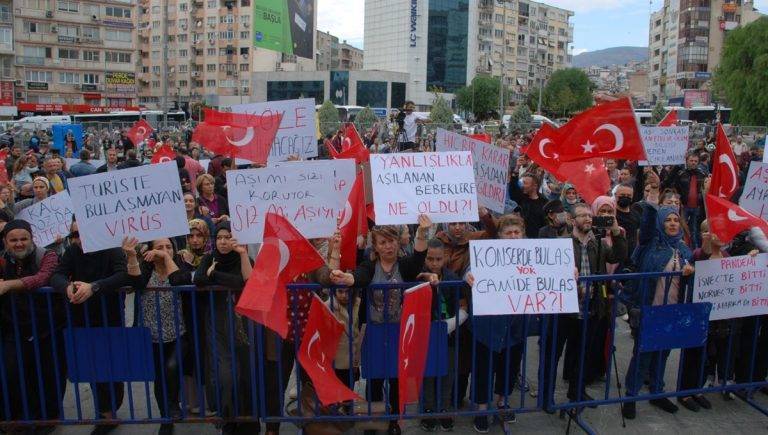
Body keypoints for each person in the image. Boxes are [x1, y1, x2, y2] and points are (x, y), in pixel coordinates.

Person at [329, 215, 433, 435]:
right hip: (374, 331)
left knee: (396, 379)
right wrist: (349, 279)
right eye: (383, 242)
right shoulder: (370, 265)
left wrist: (422, 232)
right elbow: (360, 275)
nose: (388, 246)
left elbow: (418, 257)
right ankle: (374, 421)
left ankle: (394, 421)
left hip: (398, 331)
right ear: (375, 247)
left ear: (397, 242)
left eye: (391, 241)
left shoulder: (404, 266)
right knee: (375, 379)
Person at [540, 202, 626, 412]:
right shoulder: (561, 244)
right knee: (553, 354)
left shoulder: (598, 244)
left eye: (590, 215)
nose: (587, 219)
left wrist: (616, 231)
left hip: (589, 308)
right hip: (563, 311)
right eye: (582, 215)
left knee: (582, 353)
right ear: (572, 220)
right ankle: (546, 397)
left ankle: (576, 391)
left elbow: (618, 256)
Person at [50, 219, 130, 435]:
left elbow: (123, 274)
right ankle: (105, 414)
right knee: (93, 367)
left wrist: (94, 287)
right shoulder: (72, 252)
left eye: (82, 233)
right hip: (80, 318)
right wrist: (65, 287)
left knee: (112, 368)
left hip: (109, 317)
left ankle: (110, 409)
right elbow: (56, 274)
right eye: (74, 235)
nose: (78, 239)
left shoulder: (111, 249)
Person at [622, 204, 694, 420]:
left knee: (663, 354)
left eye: (675, 220)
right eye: (667, 220)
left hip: (672, 311)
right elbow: (645, 227)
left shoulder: (684, 250)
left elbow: (690, 277)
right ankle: (630, 396)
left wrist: (690, 272)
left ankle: (657, 392)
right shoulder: (650, 244)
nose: (672, 224)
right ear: (660, 223)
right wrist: (652, 204)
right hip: (650, 309)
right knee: (643, 354)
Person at [464, 215, 530, 432]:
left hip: (515, 324)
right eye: (508, 232)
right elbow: (470, 269)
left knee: (509, 366)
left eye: (517, 232)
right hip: (488, 324)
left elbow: (552, 272)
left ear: (523, 235)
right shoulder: (487, 253)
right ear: (500, 235)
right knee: (484, 367)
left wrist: (570, 272)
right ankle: (482, 409)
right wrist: (468, 275)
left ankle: (502, 402)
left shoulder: (533, 255)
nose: (513, 236)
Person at [0, 219, 65, 431]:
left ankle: (49, 418)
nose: (19, 244)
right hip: (13, 328)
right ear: (5, 242)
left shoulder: (48, 255)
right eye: (13, 240)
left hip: (46, 327)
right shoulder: (2, 260)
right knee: (12, 374)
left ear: (31, 239)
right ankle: (16, 419)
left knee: (48, 374)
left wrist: (9, 285)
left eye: (23, 239)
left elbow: (43, 278)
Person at [193, 222, 256, 435]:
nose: (222, 241)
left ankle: (248, 420)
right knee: (224, 374)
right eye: (219, 237)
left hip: (242, 323)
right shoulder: (209, 258)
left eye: (227, 237)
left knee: (245, 373)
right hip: (217, 323)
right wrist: (211, 275)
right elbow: (200, 279)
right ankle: (228, 418)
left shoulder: (243, 258)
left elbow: (242, 282)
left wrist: (215, 276)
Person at [125, 237, 192, 435]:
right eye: (160, 247)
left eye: (169, 247)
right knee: (160, 378)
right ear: (149, 251)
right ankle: (166, 418)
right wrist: (131, 256)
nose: (165, 250)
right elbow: (135, 283)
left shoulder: (180, 264)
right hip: (151, 336)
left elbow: (180, 280)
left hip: (179, 333)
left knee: (171, 367)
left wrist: (165, 256)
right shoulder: (146, 271)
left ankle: (172, 404)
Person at [418, 238, 467, 432]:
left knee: (448, 373)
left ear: (445, 257)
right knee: (428, 373)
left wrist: (451, 325)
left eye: (438, 259)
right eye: (430, 259)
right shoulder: (418, 275)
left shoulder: (453, 277)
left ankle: (444, 408)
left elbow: (464, 306)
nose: (434, 263)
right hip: (425, 334)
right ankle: (428, 409)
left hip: (449, 335)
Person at [662, 152, 706, 247]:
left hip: (697, 207)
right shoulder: (681, 174)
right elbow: (673, 187)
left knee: (694, 230)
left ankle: (694, 250)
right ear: (687, 161)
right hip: (684, 206)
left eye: (695, 161)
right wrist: (678, 202)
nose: (693, 163)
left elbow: (705, 189)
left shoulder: (702, 174)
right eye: (691, 161)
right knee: (681, 228)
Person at [508, 173, 548, 239]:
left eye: (525, 183)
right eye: (522, 183)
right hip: (523, 238)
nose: (522, 186)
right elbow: (513, 190)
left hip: (539, 240)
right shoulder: (521, 198)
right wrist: (515, 173)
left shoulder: (544, 202)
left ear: (535, 186)